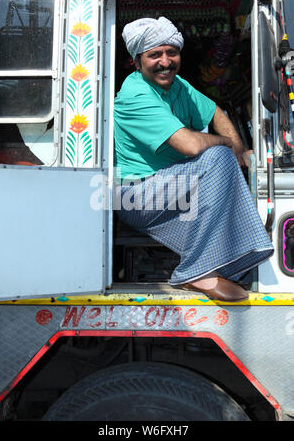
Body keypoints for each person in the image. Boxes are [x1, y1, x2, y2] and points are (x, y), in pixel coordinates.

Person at [114, 16, 274, 302]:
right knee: (216, 157)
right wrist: (228, 146)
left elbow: (216, 113)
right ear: (137, 62)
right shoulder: (134, 94)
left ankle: (225, 267)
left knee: (228, 164)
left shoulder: (177, 85)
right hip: (134, 194)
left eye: (171, 52)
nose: (165, 61)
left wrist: (240, 151)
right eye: (154, 55)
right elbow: (189, 145)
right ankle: (197, 272)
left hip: (169, 185)